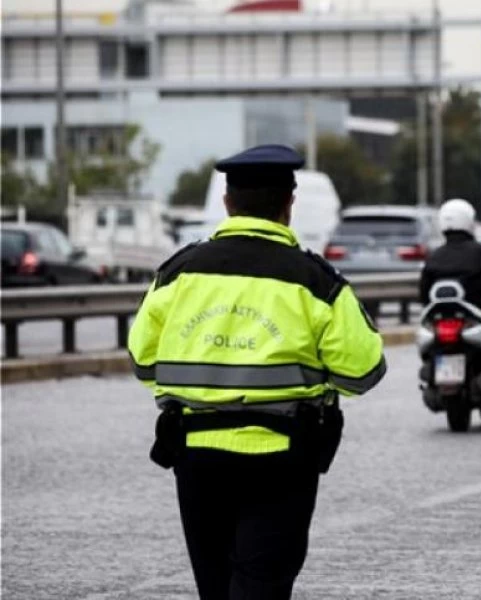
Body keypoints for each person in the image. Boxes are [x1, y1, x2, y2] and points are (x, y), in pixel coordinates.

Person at [127, 144, 387, 599]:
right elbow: (363, 370)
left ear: (228, 203)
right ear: (289, 204)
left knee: (216, 587)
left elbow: (143, 360)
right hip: (282, 457)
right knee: (262, 584)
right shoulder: (315, 280)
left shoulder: (178, 273)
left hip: (196, 454)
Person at [420, 198, 481, 383]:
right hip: (476, 315)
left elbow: (423, 293)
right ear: (469, 221)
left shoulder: (434, 255)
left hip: (440, 318)